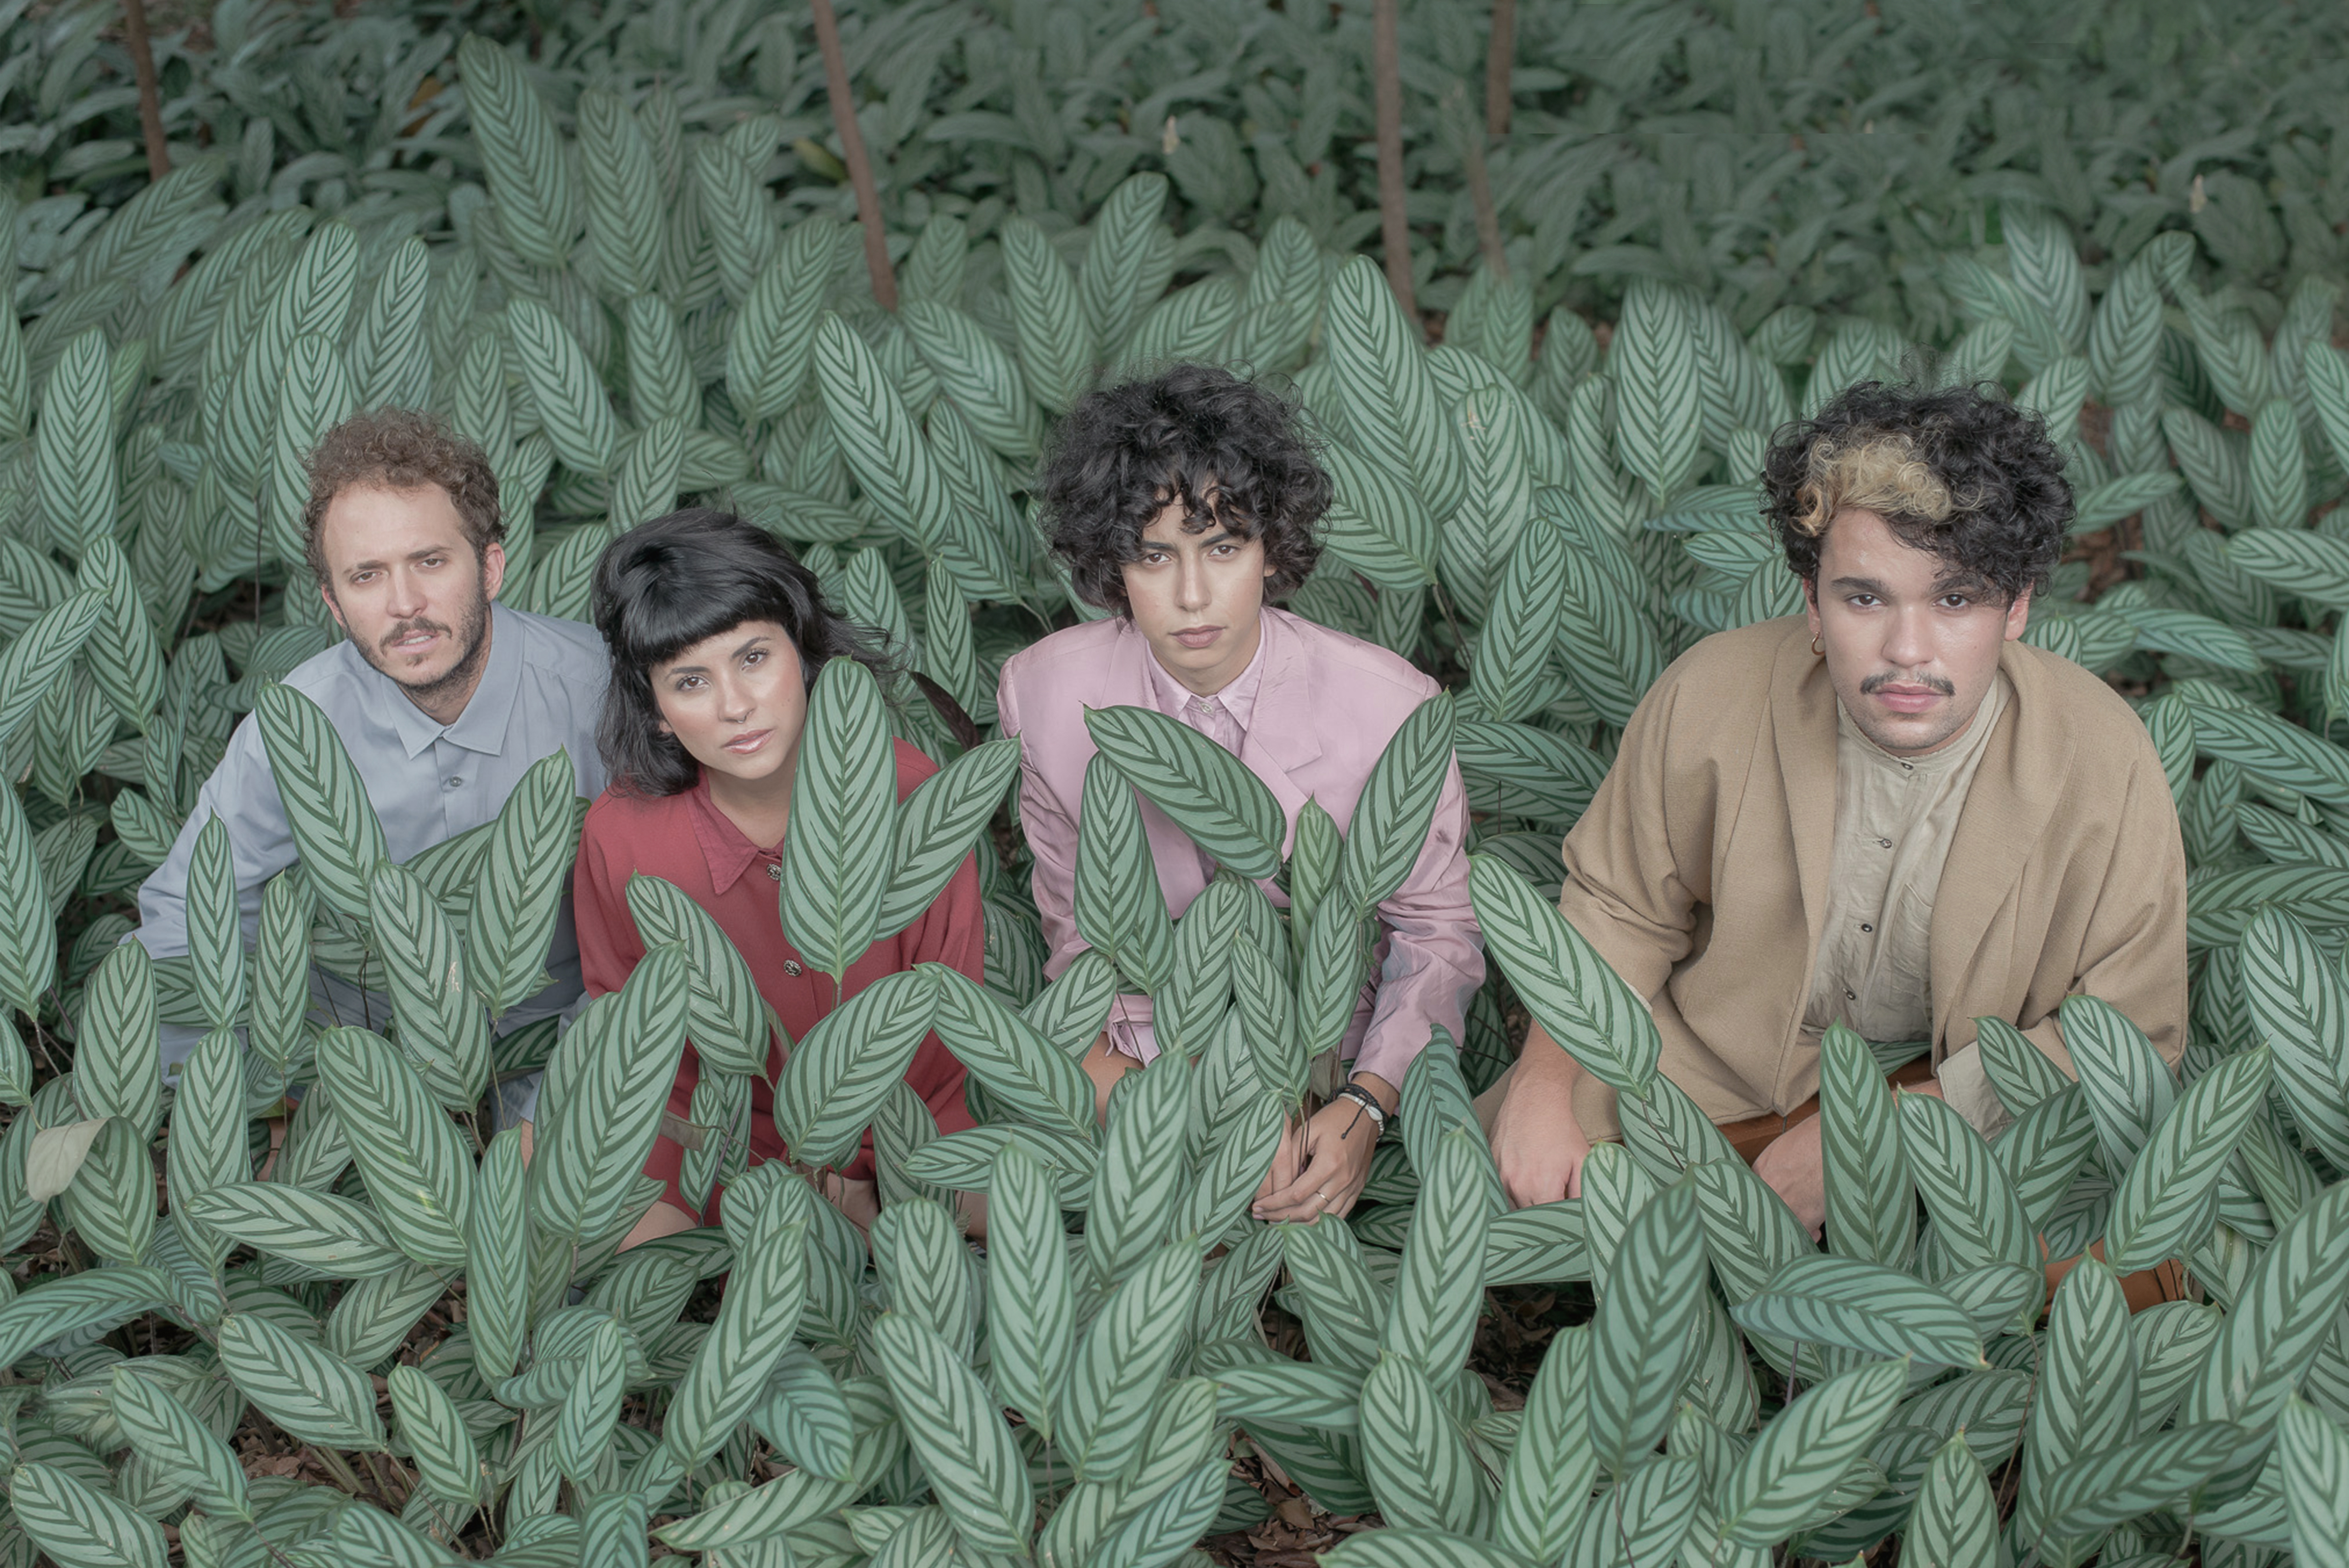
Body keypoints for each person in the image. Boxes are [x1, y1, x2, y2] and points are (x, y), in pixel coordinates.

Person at [1482, 381, 2188, 1247]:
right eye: (1864, 598)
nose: (1907, 650)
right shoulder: (1711, 692)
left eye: (1955, 600)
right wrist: (1543, 1088)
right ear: (1812, 603)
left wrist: (1874, 1137)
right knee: (1508, 1175)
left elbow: (2129, 1025)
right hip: (1716, 1058)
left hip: (1963, 1085)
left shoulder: (2102, 755)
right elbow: (1620, 910)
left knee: (2080, 1263)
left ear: (2018, 607)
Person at [997, 364, 1485, 1224]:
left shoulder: (1389, 705)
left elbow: (1436, 934)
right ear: (1112, 561)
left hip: (1330, 1045)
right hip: (1152, 1047)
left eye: (1222, 548)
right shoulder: (1041, 696)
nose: (1192, 596)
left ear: (1270, 548)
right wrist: (1182, 1106)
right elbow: (1080, 941)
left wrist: (1366, 1105)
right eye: (1154, 555)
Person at [135, 409, 607, 1089]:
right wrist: (243, 1099)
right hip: (363, 1030)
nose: (405, 604)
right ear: (332, 603)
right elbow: (194, 907)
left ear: (491, 568)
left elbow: (657, 930)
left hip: (556, 1027)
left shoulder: (598, 692)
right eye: (366, 577)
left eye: (430, 561)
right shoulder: (303, 720)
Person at [561, 508, 980, 1247]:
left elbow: (945, 1011)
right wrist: (758, 1176)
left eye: (753, 658)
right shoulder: (620, 837)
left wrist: (856, 1167)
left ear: (806, 652)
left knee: (999, 1219)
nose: (734, 706)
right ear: (656, 710)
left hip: (904, 1123)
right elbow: (633, 1034)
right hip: (718, 1146)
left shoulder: (909, 790)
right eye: (690, 681)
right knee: (618, 1256)